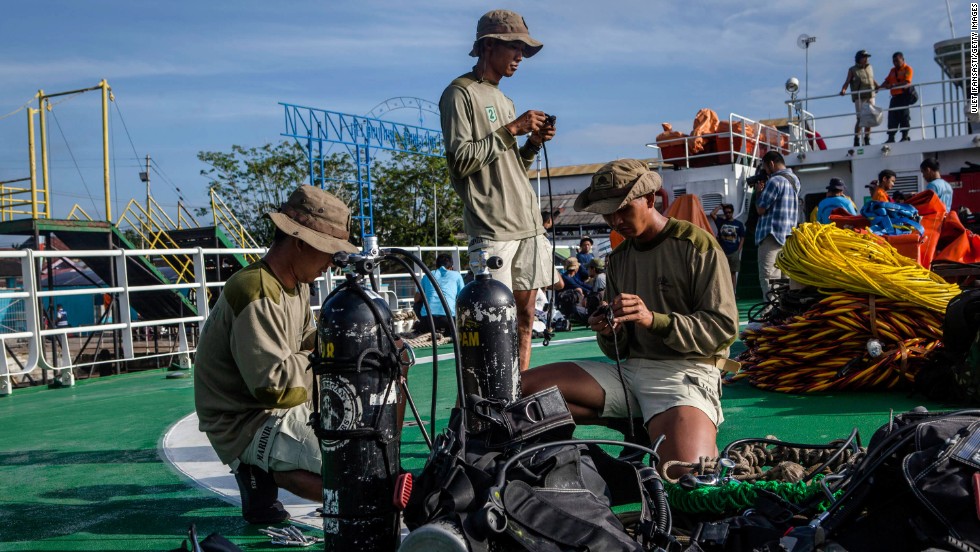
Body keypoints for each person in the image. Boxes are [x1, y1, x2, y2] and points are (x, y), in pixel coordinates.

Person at [194, 186, 410, 524]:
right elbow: (274, 388)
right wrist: (339, 357)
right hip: (246, 418)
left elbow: (306, 340)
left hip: (280, 402)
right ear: (299, 242)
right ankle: (260, 469)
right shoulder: (255, 289)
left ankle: (266, 470)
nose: (331, 263)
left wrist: (364, 344)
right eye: (327, 252)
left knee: (370, 457)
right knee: (353, 468)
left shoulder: (295, 284)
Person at [522, 159, 739, 477]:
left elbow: (723, 328)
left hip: (685, 374)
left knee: (689, 480)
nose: (615, 220)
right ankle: (638, 426)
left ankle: (647, 426)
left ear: (650, 199)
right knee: (521, 394)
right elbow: (619, 353)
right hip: (629, 373)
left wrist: (656, 320)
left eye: (623, 209)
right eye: (608, 212)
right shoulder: (619, 259)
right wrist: (609, 332)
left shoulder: (697, 246)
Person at [440, 9, 562, 373]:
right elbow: (461, 162)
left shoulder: (505, 101)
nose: (520, 57)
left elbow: (510, 168)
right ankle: (493, 407)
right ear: (488, 46)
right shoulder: (459, 94)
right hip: (492, 229)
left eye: (523, 49)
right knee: (496, 325)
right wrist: (512, 129)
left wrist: (532, 144)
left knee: (525, 319)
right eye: (515, 47)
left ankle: (518, 401)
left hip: (527, 223)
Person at [754, 151, 800, 299]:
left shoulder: (775, 181)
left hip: (771, 235)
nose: (765, 171)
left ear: (771, 164)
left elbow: (760, 209)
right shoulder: (794, 180)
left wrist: (758, 193)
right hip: (787, 236)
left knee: (768, 277)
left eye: (765, 167)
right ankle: (783, 313)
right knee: (785, 278)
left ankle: (769, 314)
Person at [413, 253, 466, 336]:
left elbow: (416, 299)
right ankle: (449, 331)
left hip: (428, 320)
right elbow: (463, 297)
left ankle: (425, 327)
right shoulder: (457, 275)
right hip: (449, 320)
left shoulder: (428, 275)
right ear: (451, 267)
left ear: (436, 266)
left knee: (417, 304)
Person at [840, 49, 879, 147]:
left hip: (870, 95)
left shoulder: (870, 67)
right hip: (860, 96)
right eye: (864, 57)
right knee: (860, 118)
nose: (866, 59)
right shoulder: (852, 69)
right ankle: (856, 139)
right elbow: (847, 81)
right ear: (859, 59)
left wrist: (877, 85)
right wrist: (843, 89)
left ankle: (867, 139)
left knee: (870, 118)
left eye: (867, 57)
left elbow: (871, 78)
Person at [876, 52, 914, 143]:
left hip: (904, 96)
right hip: (894, 97)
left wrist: (893, 85)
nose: (895, 63)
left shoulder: (908, 69)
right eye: (894, 61)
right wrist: (879, 88)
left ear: (902, 60)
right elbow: (887, 81)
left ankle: (905, 136)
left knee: (904, 116)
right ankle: (891, 138)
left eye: (897, 61)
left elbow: (907, 82)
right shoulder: (892, 71)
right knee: (892, 117)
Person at [709, 203, 745, 292]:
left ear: (732, 212)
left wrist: (739, 250)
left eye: (729, 212)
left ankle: (733, 293)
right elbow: (712, 214)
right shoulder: (721, 222)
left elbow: (742, 237)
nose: (727, 214)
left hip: (734, 252)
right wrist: (720, 206)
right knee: (723, 273)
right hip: (723, 252)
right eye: (726, 212)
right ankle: (725, 293)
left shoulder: (739, 224)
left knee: (733, 274)